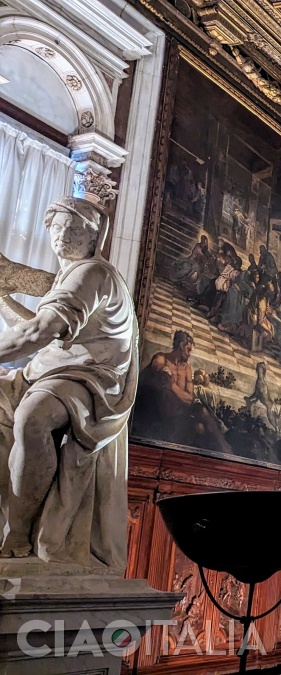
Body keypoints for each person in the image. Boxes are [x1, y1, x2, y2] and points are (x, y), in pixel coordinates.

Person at [0, 196, 136, 565]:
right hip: (57, 367)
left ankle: (18, 532)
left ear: (94, 238)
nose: (64, 235)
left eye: (75, 229)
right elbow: (39, 329)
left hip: (94, 379)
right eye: (58, 227)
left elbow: (41, 332)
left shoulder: (92, 273)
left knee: (33, 416)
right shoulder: (69, 275)